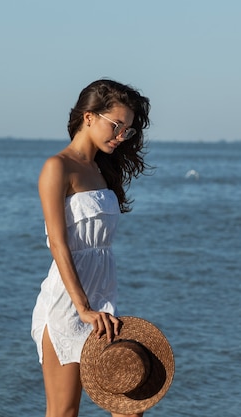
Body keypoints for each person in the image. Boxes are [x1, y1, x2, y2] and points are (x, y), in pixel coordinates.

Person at [31, 79, 151, 417]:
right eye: (116, 125)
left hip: (103, 306)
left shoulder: (102, 170)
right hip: (69, 306)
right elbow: (58, 244)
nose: (121, 136)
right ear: (88, 117)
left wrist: (96, 307)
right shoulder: (58, 167)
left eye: (126, 130)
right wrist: (82, 307)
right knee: (64, 412)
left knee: (129, 407)